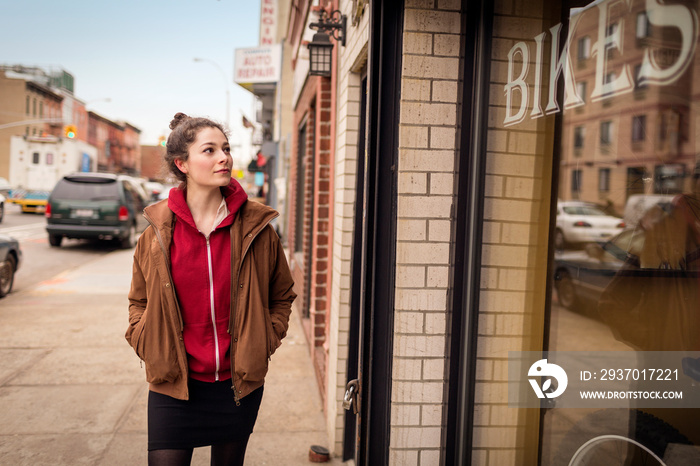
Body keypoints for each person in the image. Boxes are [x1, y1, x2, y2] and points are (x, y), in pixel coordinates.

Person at [125, 113, 296, 466]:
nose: (224, 158)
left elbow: (281, 294)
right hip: (173, 382)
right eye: (210, 150)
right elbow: (138, 300)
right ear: (182, 164)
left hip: (238, 384)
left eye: (226, 148)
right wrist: (143, 337)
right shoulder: (156, 235)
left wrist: (266, 336)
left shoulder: (256, 229)